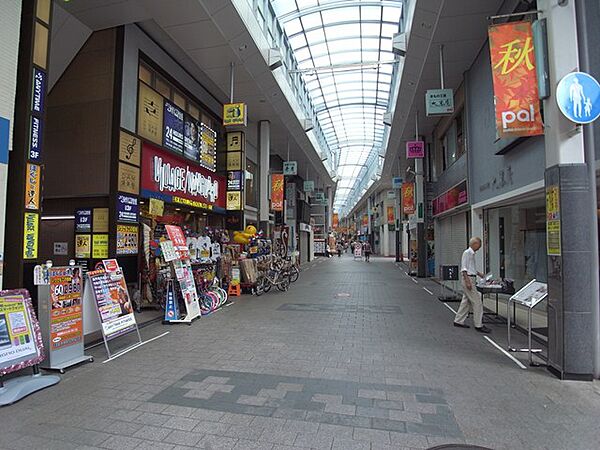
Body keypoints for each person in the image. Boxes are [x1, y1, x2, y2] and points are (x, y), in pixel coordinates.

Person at [453, 237, 491, 333]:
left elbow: (470, 268)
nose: (480, 246)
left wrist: (478, 273)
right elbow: (464, 268)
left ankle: (458, 320)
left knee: (466, 302)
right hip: (468, 279)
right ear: (475, 244)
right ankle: (479, 325)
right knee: (477, 302)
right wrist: (468, 281)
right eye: (479, 244)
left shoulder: (471, 254)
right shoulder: (467, 253)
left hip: (470, 278)